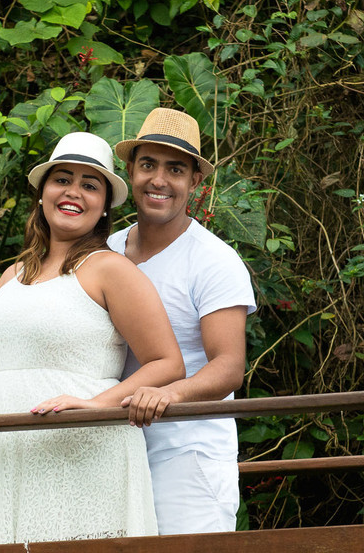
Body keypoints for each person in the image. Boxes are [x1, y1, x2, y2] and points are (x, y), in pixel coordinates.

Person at [0, 131, 185, 544]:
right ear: (43, 192)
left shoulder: (109, 270)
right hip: (10, 456)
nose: (73, 192)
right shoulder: (13, 275)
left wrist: (95, 405)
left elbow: (167, 363)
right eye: (62, 179)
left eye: (89, 184)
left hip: (85, 453)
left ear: (103, 208)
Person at [109, 107, 256, 534]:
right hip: (115, 451)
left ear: (195, 182)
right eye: (148, 165)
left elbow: (229, 367)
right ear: (130, 171)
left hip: (189, 454)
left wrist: (166, 394)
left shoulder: (213, 260)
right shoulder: (106, 252)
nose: (158, 180)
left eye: (175, 169)